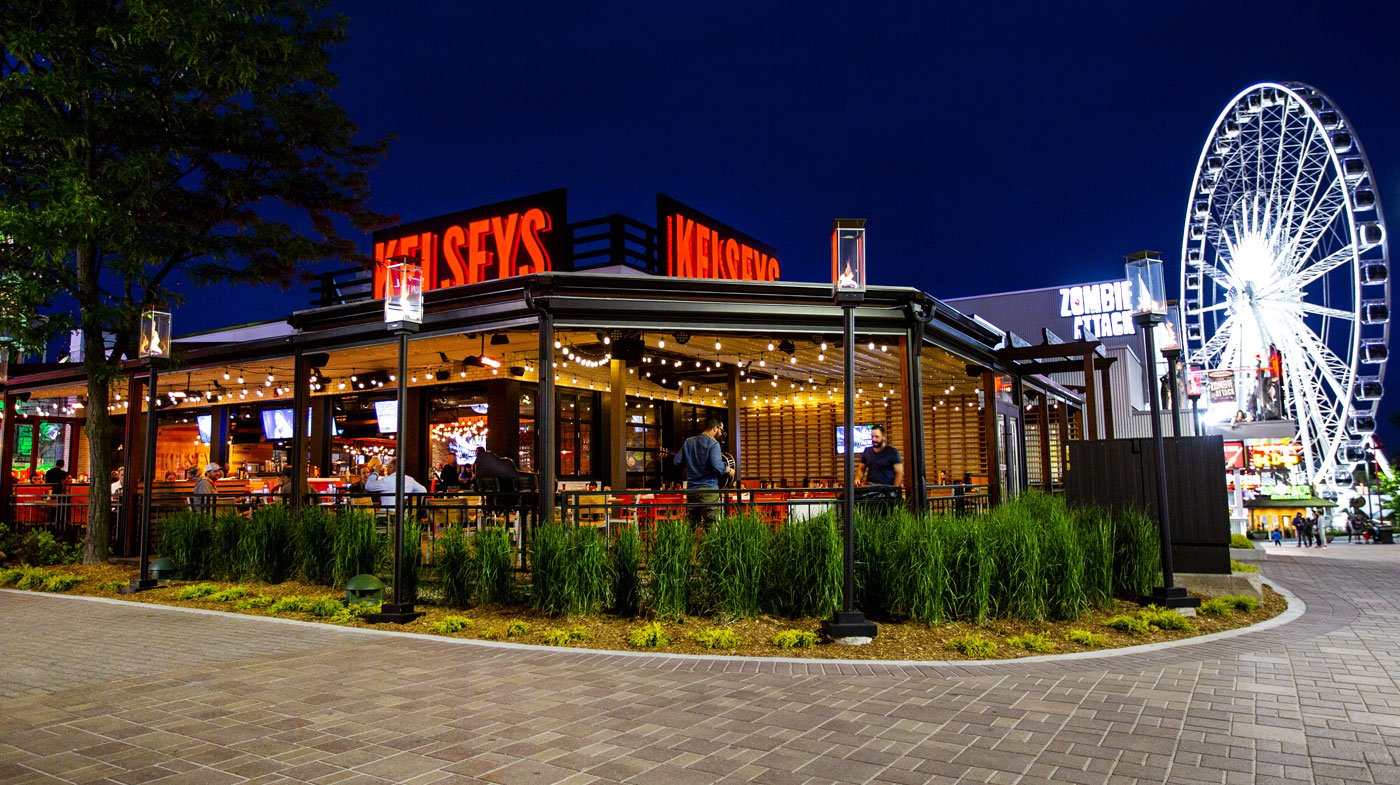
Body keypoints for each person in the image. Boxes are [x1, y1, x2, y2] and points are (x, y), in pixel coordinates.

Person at [673, 417, 734, 527]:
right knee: (711, 524)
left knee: (691, 523)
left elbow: (677, 461)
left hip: (692, 489)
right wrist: (729, 469)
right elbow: (717, 466)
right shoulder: (713, 444)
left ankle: (688, 544)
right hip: (708, 488)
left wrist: (691, 465)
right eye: (721, 430)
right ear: (715, 429)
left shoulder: (688, 442)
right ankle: (708, 544)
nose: (721, 433)